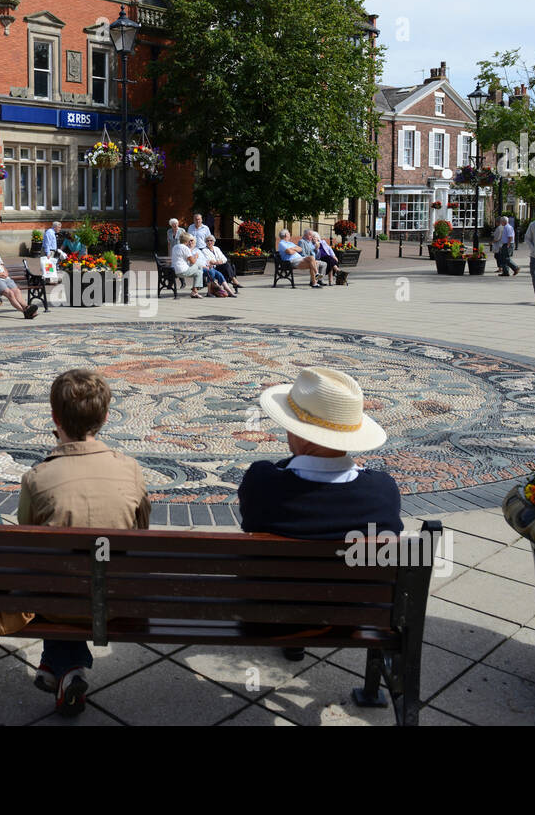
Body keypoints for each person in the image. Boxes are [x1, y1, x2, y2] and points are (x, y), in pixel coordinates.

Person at [239, 366, 402, 660]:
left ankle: (292, 640)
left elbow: (252, 523)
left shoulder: (262, 481)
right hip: (354, 619)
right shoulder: (382, 491)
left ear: (300, 435)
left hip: (265, 615)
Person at [18, 368, 150, 716]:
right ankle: (60, 668)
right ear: (106, 417)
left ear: (54, 417)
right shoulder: (131, 470)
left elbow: (27, 539)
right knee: (88, 572)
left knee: (58, 573)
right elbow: (140, 534)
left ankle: (61, 666)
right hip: (117, 599)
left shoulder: (37, 478)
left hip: (58, 601)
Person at [0, 239, 40, 318]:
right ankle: (25, 312)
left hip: (5, 278)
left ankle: (27, 307)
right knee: (10, 293)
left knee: (16, 291)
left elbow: (2, 266)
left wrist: (6, 273)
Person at [170, 232, 204, 297]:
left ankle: (195, 290)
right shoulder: (185, 248)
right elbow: (193, 262)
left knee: (199, 273)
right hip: (182, 271)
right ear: (187, 240)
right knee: (199, 266)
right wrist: (196, 256)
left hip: (174, 270)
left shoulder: (175, 246)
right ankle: (196, 290)